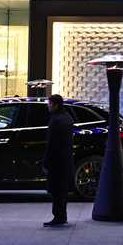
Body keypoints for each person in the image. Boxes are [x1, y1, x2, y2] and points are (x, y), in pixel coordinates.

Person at [42, 94, 75, 227]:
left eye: (50, 104)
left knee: (56, 190)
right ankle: (61, 215)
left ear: (56, 105)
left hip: (56, 161)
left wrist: (46, 161)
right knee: (61, 190)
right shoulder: (67, 117)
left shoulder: (56, 120)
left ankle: (59, 216)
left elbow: (51, 144)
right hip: (65, 159)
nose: (48, 106)